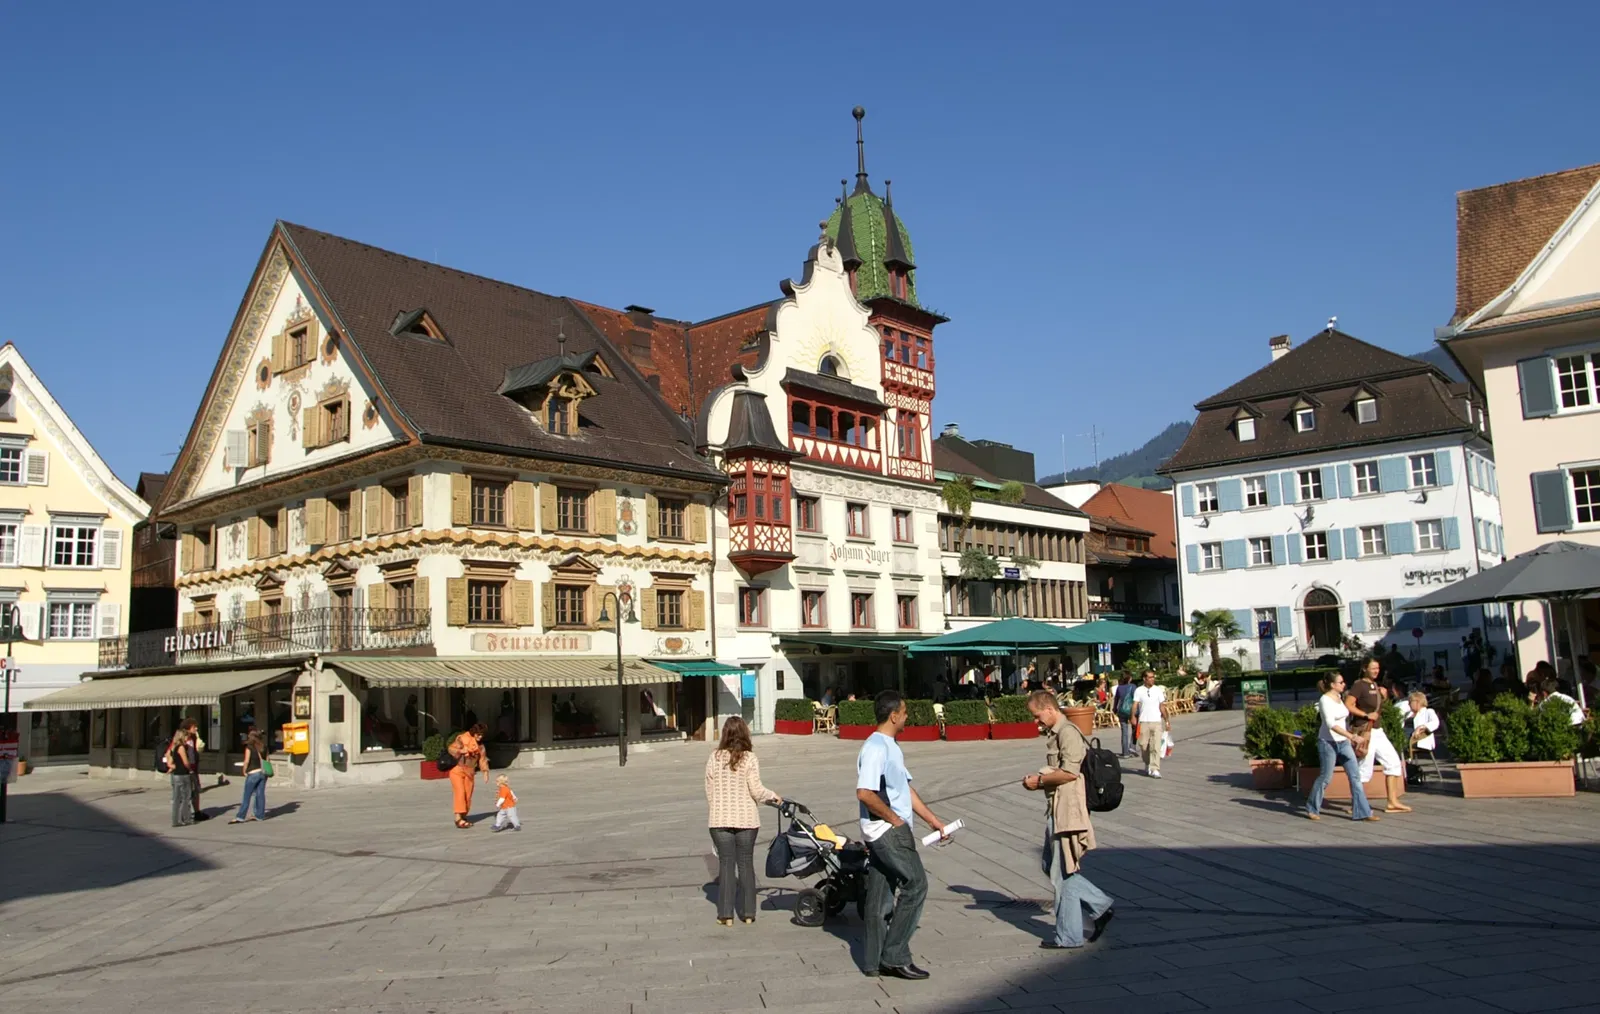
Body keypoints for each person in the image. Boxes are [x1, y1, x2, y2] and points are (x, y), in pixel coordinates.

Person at [856, 690, 949, 980]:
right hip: (887, 830)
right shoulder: (875, 748)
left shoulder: (890, 746)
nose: (907, 716)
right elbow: (865, 792)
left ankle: (873, 962)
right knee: (916, 885)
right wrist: (895, 820)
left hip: (887, 828)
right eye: (905, 711)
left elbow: (905, 788)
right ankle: (895, 956)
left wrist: (933, 820)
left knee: (879, 894)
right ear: (893, 715)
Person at [1023, 691, 1114, 949]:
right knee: (1052, 865)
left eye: (1037, 715)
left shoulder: (1068, 732)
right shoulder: (1056, 733)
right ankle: (1099, 905)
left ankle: (1070, 936)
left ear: (1049, 709)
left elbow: (1069, 773)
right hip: (1057, 806)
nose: (1036, 722)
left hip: (1067, 809)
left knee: (1061, 872)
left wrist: (1038, 780)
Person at [704, 716, 781, 926]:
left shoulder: (714, 757)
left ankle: (725, 915)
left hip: (719, 820)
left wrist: (718, 809)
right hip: (746, 819)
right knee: (746, 864)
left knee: (726, 865)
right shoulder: (749, 758)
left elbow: (709, 791)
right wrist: (774, 796)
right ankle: (748, 913)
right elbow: (756, 791)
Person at [1305, 673, 1377, 822]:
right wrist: (1352, 736)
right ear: (1332, 685)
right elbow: (1331, 724)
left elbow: (1344, 718)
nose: (1344, 684)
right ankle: (1312, 808)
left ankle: (1363, 812)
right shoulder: (1325, 700)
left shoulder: (1340, 698)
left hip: (1343, 743)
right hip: (1328, 743)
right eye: (1341, 682)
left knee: (1355, 776)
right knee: (1326, 777)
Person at [1347, 660, 1411, 813]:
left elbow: (1377, 706)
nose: (1376, 671)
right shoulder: (1359, 685)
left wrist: (1384, 696)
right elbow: (1348, 704)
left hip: (1378, 730)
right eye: (1373, 668)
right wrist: (1365, 714)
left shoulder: (1376, 686)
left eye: (1378, 668)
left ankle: (1392, 801)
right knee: (1364, 770)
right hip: (1366, 731)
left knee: (1394, 762)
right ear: (1364, 669)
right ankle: (1356, 804)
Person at [447, 723, 490, 828]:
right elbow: (451, 749)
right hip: (457, 770)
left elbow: (482, 759)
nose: (480, 737)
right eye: (478, 734)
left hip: (470, 772)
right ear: (474, 733)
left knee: (468, 795)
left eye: (482, 735)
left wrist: (485, 772)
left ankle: (463, 815)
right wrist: (461, 750)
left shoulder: (481, 746)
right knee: (460, 793)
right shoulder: (462, 739)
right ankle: (458, 819)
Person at [1131, 671, 1170, 778]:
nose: (1152, 679)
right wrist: (1133, 716)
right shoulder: (1139, 690)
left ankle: (1155, 768)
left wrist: (1166, 720)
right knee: (1143, 746)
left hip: (1156, 721)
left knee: (1155, 746)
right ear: (1144, 679)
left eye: (1153, 677)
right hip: (1143, 721)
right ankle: (1147, 763)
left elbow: (1162, 706)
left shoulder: (1158, 690)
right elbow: (1135, 704)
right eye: (1150, 677)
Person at [229, 729, 268, 824]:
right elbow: (267, 760)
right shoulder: (264, 747)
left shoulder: (249, 747)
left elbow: (246, 761)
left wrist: (244, 770)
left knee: (247, 795)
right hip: (263, 773)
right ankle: (260, 815)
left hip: (253, 773)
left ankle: (240, 816)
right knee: (260, 794)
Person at [179, 718, 210, 821]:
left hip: (194, 769)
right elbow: (170, 752)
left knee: (195, 791)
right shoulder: (180, 739)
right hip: (185, 770)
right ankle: (184, 814)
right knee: (185, 793)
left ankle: (197, 812)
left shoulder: (193, 738)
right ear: (188, 728)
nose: (196, 728)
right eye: (194, 727)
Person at [166, 727, 195, 827]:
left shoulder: (174, 747)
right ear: (183, 736)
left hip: (176, 775)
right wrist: (190, 768)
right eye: (187, 736)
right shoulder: (181, 747)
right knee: (186, 797)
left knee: (177, 799)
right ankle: (186, 819)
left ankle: (176, 820)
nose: (188, 738)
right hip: (183, 774)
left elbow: (169, 762)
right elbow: (186, 762)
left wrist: (174, 767)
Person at [1405, 692, 1440, 758]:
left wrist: (1421, 727)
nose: (1408, 704)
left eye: (1410, 702)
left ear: (1417, 702)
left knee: (1396, 745)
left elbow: (1435, 723)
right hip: (1405, 737)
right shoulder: (1408, 714)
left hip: (1416, 739)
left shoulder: (1428, 712)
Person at [1113, 674, 1136, 758]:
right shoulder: (1133, 686)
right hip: (1131, 711)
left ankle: (1125, 752)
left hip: (1122, 711)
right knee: (1135, 729)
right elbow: (1136, 699)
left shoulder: (1119, 687)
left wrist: (1114, 708)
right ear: (1129, 678)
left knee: (1124, 731)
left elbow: (1116, 699)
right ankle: (1132, 748)